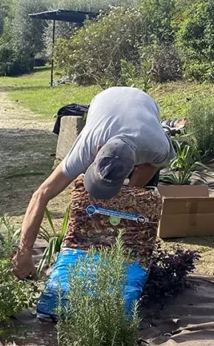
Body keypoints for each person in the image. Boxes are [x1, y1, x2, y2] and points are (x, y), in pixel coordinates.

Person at [12, 86, 174, 278]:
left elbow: (150, 168)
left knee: (131, 205)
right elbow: (41, 194)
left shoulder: (158, 148)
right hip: (106, 99)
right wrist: (24, 252)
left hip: (144, 104)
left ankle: (129, 258)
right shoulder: (85, 147)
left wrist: (127, 199)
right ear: (97, 151)